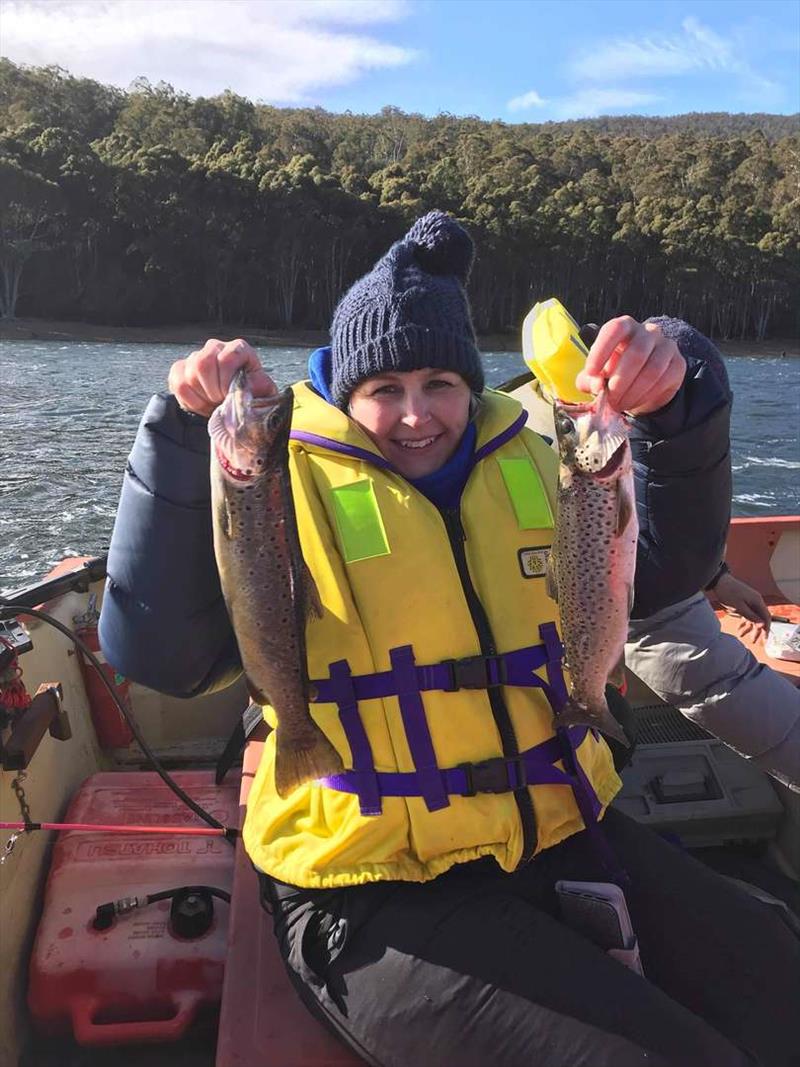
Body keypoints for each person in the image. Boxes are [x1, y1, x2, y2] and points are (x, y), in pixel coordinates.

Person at [99, 212, 799, 1067]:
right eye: (384, 387)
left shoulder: (548, 458)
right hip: (370, 892)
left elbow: (661, 570)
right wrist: (179, 435)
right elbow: (157, 653)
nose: (416, 414)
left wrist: (679, 407)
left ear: (473, 383)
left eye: (440, 382)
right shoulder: (277, 482)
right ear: (344, 393)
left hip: (560, 826)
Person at [574, 319, 800, 793]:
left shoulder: (598, 424)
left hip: (653, 598)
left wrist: (718, 577)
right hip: (632, 612)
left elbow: (657, 501)